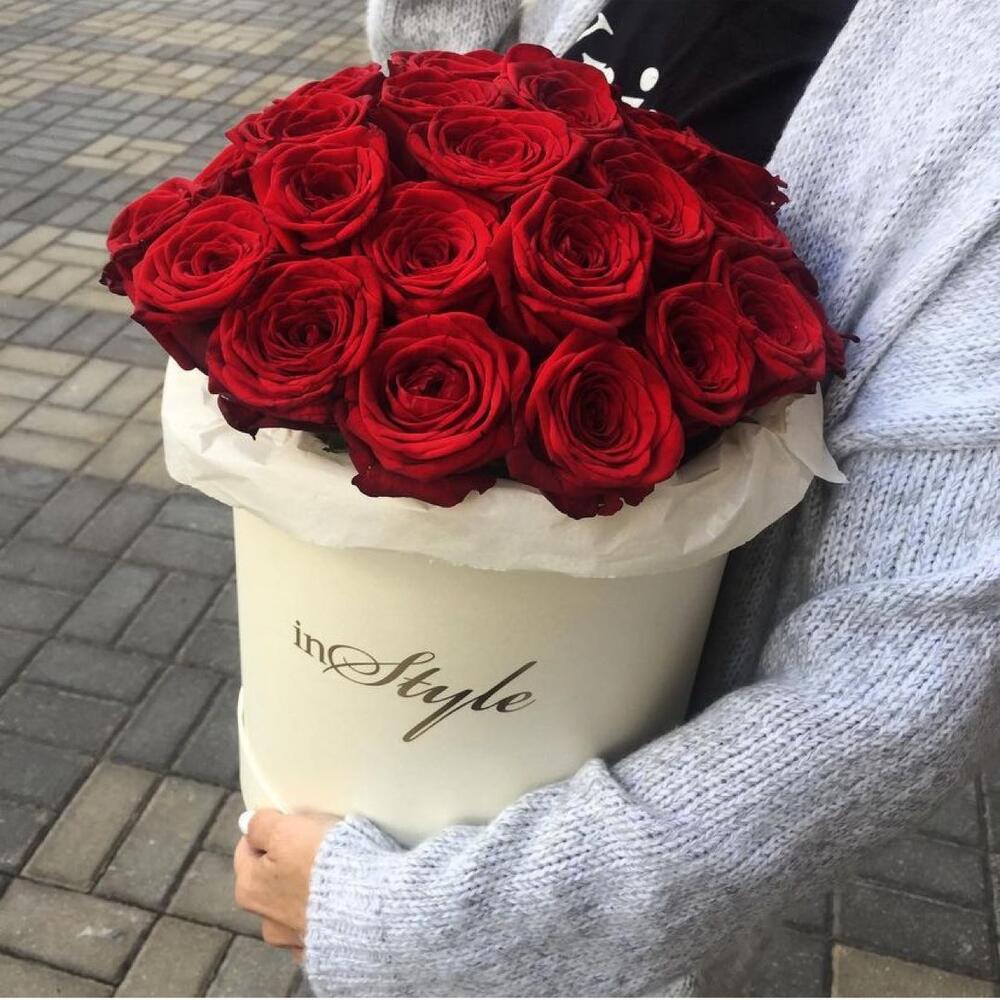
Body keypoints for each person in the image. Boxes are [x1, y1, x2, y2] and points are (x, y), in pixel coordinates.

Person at [233, 0, 1000, 994]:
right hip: (371, 720)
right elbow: (435, 93)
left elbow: (896, 677)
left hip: (591, 874)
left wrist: (412, 924)